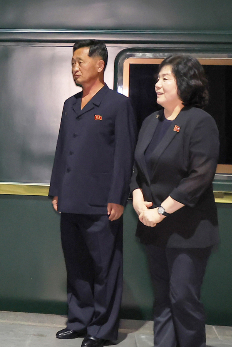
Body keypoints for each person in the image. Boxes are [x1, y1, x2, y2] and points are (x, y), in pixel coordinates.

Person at [49, 40, 137, 347]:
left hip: (102, 203)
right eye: (72, 62)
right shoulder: (70, 104)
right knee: (76, 266)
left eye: (80, 62)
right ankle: (79, 321)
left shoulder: (117, 104)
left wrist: (118, 197)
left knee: (105, 269)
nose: (75, 68)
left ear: (100, 65)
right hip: (70, 200)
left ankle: (102, 330)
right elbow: (62, 150)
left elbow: (124, 155)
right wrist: (56, 190)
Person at [131, 55, 219, 347]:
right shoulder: (150, 121)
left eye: (165, 78)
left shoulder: (200, 122)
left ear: (185, 83)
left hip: (188, 231)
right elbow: (137, 170)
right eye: (157, 79)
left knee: (183, 299)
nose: (157, 84)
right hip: (153, 229)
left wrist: (161, 211)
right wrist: (137, 198)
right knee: (163, 300)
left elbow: (199, 177)